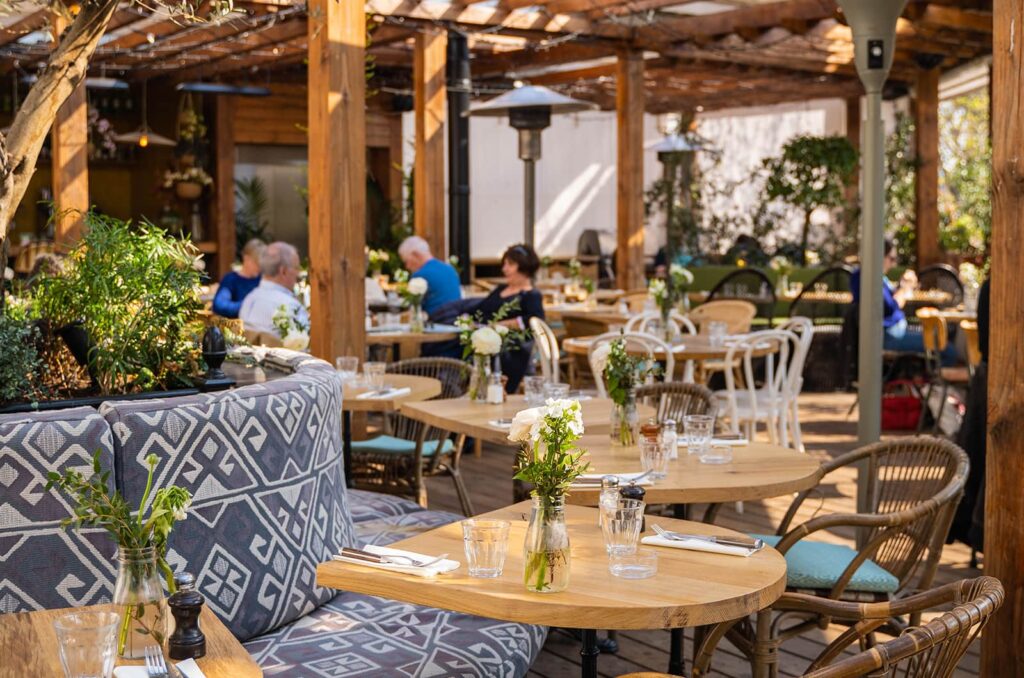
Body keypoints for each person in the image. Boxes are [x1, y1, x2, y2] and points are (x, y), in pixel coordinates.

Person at [851, 238, 954, 360]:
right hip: (889, 335)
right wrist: (905, 288)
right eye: (892, 259)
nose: (894, 264)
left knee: (942, 337)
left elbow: (887, 299)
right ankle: (932, 377)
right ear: (880, 256)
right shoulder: (870, 277)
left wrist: (901, 286)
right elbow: (889, 307)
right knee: (949, 350)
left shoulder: (865, 275)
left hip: (892, 331)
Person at [474, 244, 545, 392]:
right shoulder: (500, 289)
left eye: (510, 264)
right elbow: (480, 310)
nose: (504, 269)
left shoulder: (531, 295)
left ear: (524, 268)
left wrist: (499, 326)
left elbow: (535, 320)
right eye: (504, 264)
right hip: (484, 340)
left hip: (512, 348)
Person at [239, 242, 308, 339]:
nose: (298, 273)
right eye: (296, 268)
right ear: (283, 271)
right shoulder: (292, 307)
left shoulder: (248, 300)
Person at [397, 236, 461, 315]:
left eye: (406, 261)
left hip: (436, 322)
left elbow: (414, 310)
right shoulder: (450, 269)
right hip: (455, 320)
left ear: (416, 255)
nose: (407, 266)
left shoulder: (420, 276)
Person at [213, 239, 265, 318]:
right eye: (257, 263)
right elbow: (219, 306)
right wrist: (249, 305)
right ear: (246, 258)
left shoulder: (263, 279)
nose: (259, 268)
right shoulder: (231, 279)